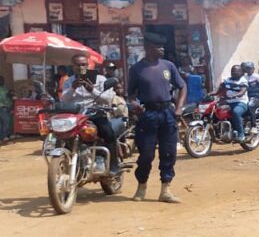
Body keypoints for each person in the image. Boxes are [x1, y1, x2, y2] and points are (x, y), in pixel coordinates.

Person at [127, 31, 186, 203]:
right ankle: (141, 186)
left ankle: (165, 190)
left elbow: (182, 86)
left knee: (168, 152)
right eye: (158, 46)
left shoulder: (168, 66)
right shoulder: (137, 69)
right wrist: (134, 104)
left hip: (167, 113)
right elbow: (131, 95)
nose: (162, 49)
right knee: (146, 154)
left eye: (162, 46)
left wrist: (179, 108)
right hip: (148, 115)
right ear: (148, 47)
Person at [61, 54, 123, 173]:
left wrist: (92, 90)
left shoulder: (100, 79)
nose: (81, 67)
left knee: (108, 133)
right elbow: (64, 100)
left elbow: (108, 99)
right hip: (76, 116)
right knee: (63, 135)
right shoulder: (68, 81)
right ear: (73, 67)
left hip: (96, 113)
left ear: (88, 65)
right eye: (78, 65)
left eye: (83, 64)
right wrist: (72, 88)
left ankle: (113, 166)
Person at [218, 65, 250, 142]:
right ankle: (221, 131)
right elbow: (219, 89)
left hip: (241, 102)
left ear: (241, 72)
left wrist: (234, 95)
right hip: (229, 102)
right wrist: (211, 94)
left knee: (236, 112)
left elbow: (242, 92)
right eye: (233, 71)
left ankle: (241, 134)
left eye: (236, 71)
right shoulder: (227, 80)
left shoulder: (243, 80)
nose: (234, 73)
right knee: (217, 110)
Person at [0, 76, 13, 142]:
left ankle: (6, 135)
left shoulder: (4, 87)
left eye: (3, 80)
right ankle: (3, 136)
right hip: (2, 107)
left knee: (6, 122)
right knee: (5, 122)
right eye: (1, 80)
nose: (2, 81)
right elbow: (2, 98)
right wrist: (7, 95)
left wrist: (10, 94)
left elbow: (8, 97)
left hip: (7, 107)